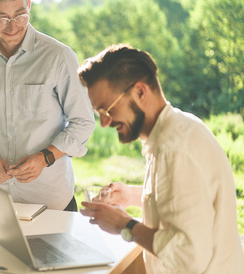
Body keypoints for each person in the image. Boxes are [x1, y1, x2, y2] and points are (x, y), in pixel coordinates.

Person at [78, 44, 244, 273]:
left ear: (140, 92)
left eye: (108, 109)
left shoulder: (174, 149)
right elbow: (185, 198)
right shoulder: (178, 127)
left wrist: (124, 224)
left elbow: (189, 258)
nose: (105, 122)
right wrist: (132, 195)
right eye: (100, 114)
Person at [0, 0, 95, 211]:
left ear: (29, 7)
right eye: (2, 18)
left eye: (20, 15)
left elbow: (83, 122)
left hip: (52, 201)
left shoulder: (58, 56)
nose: (12, 26)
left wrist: (45, 158)